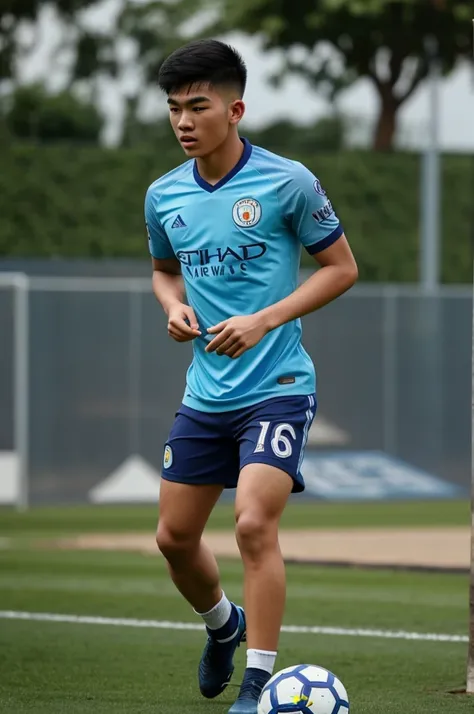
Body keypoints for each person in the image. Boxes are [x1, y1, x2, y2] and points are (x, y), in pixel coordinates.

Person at [145, 38, 358, 714]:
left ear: (234, 109)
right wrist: (173, 305)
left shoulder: (288, 181)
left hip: (279, 386)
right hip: (205, 392)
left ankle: (260, 683)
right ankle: (223, 626)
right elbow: (163, 270)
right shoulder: (164, 195)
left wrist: (266, 320)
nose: (183, 121)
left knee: (252, 525)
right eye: (174, 109)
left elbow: (341, 268)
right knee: (173, 539)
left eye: (197, 107)